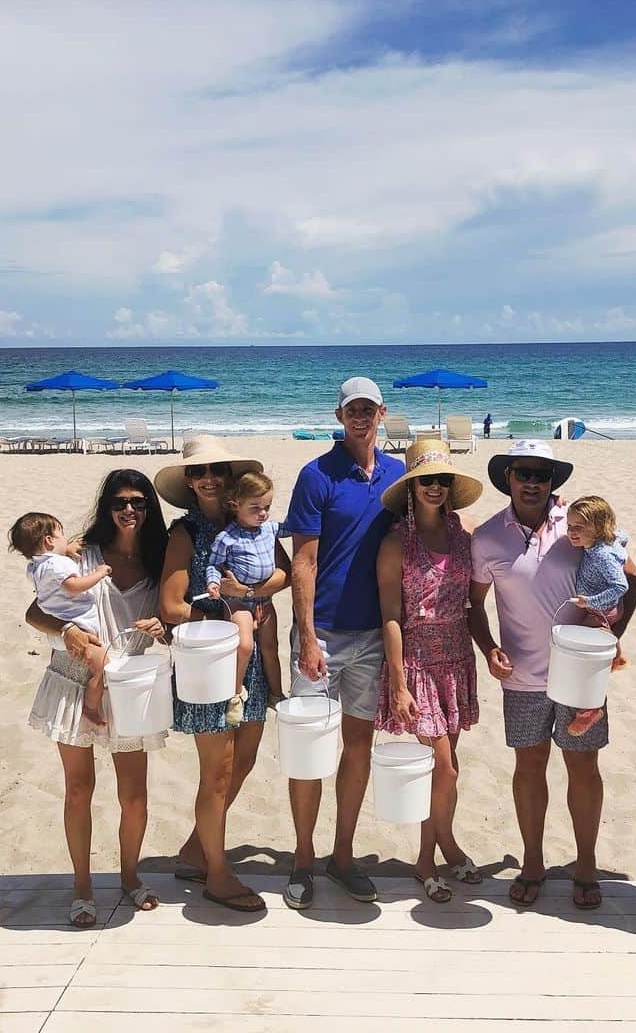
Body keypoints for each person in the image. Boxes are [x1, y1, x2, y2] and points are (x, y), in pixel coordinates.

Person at [469, 440, 636, 911]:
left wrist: (610, 637)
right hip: (521, 676)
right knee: (529, 768)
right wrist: (488, 648)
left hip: (580, 675)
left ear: (552, 483)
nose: (532, 482)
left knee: (583, 768)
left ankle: (585, 865)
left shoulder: (578, 525)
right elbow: (474, 606)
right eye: (523, 473)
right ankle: (532, 863)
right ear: (508, 477)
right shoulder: (486, 538)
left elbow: (632, 577)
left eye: (542, 475)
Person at [23, 470, 169, 927]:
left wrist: (165, 626)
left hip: (130, 684)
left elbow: (177, 613)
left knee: (135, 795)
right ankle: (83, 886)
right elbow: (34, 611)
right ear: (108, 507)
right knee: (79, 789)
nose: (130, 510)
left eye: (139, 502)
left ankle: (128, 877)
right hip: (73, 678)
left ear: (149, 509)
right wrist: (66, 630)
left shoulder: (160, 557)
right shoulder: (80, 555)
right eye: (121, 502)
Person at [283, 376, 406, 910]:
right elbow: (303, 563)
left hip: (374, 636)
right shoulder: (316, 476)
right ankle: (302, 857)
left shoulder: (399, 474)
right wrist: (307, 638)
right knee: (309, 752)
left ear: (382, 413)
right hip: (324, 637)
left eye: (368, 409)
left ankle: (343, 854)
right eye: (351, 410)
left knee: (359, 747)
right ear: (339, 417)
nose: (360, 418)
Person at [157, 436, 291, 914]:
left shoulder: (254, 523)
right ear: (189, 483)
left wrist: (250, 591)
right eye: (196, 473)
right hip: (210, 663)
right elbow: (171, 607)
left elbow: (284, 574)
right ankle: (215, 874)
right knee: (216, 773)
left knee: (245, 760)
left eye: (215, 470)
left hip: (250, 658)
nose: (206, 479)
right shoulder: (185, 534)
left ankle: (197, 848)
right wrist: (222, 612)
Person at [375, 440, 485, 902]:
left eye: (442, 480)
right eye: (426, 480)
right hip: (417, 659)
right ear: (411, 487)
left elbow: (477, 599)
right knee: (441, 768)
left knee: (450, 765)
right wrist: (398, 682)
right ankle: (425, 860)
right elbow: (391, 615)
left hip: (457, 657)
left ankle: (447, 842)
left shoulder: (465, 534)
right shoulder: (397, 540)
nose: (435, 487)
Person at [10, 512, 112, 724]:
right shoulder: (58, 565)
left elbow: (50, 564)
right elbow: (73, 587)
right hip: (79, 628)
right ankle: (91, 706)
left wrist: (65, 550)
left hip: (58, 629)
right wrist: (100, 573)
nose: (66, 540)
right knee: (103, 667)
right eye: (61, 535)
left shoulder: (35, 567)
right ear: (49, 541)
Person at [206, 470, 285, 722]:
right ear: (235, 505)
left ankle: (276, 693)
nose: (262, 513)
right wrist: (213, 583)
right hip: (237, 602)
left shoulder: (269, 529)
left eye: (267, 506)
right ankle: (235, 693)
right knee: (245, 645)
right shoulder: (226, 538)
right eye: (255, 507)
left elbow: (296, 525)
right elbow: (213, 565)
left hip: (264, 599)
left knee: (271, 647)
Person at [564, 495, 630, 737]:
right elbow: (623, 535)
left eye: (579, 528)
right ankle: (618, 657)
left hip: (601, 609)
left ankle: (590, 709)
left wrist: (589, 602)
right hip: (602, 608)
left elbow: (620, 586)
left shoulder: (601, 554)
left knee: (583, 658)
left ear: (599, 528)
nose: (572, 532)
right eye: (570, 526)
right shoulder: (606, 542)